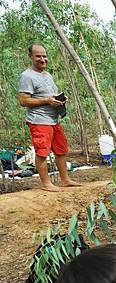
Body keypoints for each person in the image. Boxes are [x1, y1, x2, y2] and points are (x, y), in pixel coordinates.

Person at [17, 44, 80, 192]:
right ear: (30, 57)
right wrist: (46, 101)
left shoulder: (47, 75)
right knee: (42, 152)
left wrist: (60, 99)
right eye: (38, 56)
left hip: (53, 120)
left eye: (44, 56)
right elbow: (23, 100)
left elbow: (50, 94)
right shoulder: (27, 76)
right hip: (39, 121)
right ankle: (46, 183)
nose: (42, 59)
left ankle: (65, 180)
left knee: (61, 149)